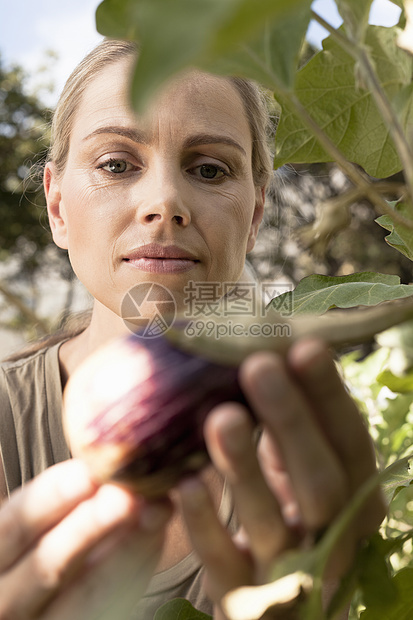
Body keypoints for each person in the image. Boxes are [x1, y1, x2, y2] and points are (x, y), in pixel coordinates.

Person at [0, 38, 384, 619]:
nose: (165, 201)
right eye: (115, 164)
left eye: (209, 168)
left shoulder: (301, 424)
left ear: (254, 215)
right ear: (57, 207)